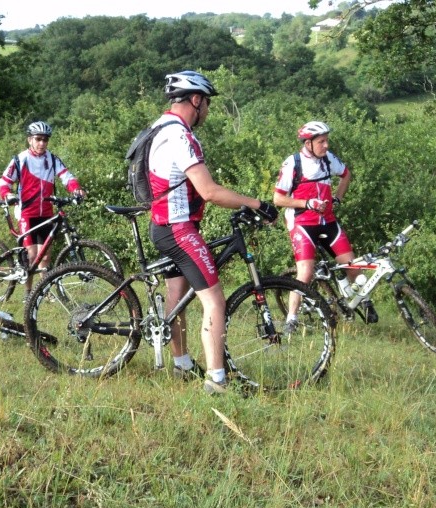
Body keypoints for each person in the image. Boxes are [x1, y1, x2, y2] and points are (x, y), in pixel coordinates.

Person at [147, 70, 279, 394]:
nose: (207, 109)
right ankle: (216, 381)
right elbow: (209, 191)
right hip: (178, 228)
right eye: (206, 103)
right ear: (196, 99)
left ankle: (181, 365)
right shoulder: (180, 135)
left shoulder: (159, 126)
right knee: (215, 301)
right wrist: (255, 203)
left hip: (162, 224)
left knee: (177, 296)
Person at [272, 120, 378, 328]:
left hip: (327, 221)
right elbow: (278, 199)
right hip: (302, 223)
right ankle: (291, 319)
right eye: (322, 141)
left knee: (352, 265)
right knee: (306, 272)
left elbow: (346, 175)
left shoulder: (328, 159)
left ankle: (364, 301)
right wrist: (307, 203)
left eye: (327, 140)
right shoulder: (293, 164)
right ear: (308, 143)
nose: (326, 145)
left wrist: (337, 198)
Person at [0, 121, 86, 293]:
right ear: (30, 139)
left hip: (46, 213)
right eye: (38, 139)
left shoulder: (52, 159)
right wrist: (7, 195)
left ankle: (43, 291)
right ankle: (28, 293)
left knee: (45, 256)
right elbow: (3, 182)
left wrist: (77, 189)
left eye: (45, 140)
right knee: (31, 256)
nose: (42, 143)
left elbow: (66, 176)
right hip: (27, 213)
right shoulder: (20, 159)